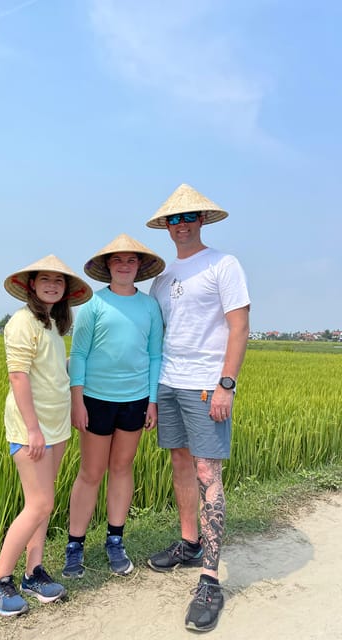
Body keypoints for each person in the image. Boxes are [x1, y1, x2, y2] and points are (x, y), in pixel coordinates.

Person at [145, 184, 251, 633]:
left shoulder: (223, 264)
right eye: (174, 219)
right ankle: (189, 543)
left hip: (207, 387)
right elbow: (156, 336)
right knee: (180, 463)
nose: (182, 224)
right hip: (169, 382)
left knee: (209, 472)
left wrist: (226, 384)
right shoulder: (162, 279)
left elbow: (239, 324)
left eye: (189, 217)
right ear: (166, 227)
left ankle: (210, 578)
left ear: (203, 220)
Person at [0, 254, 92, 617]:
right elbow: (18, 377)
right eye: (45, 280)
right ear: (31, 285)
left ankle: (33, 573)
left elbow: (53, 372)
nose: (52, 286)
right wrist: (32, 429)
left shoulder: (52, 327)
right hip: (32, 430)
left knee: (44, 502)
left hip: (56, 427)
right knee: (40, 504)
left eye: (58, 283)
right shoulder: (22, 323)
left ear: (65, 292)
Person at [61, 233, 165, 578]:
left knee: (122, 467)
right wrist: (77, 400)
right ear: (107, 267)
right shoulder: (93, 305)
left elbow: (154, 356)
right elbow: (78, 354)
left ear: (139, 267)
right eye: (117, 260)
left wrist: (151, 401)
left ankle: (115, 540)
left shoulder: (150, 306)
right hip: (95, 399)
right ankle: (75, 545)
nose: (124, 265)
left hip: (135, 400)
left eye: (131, 260)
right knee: (91, 472)